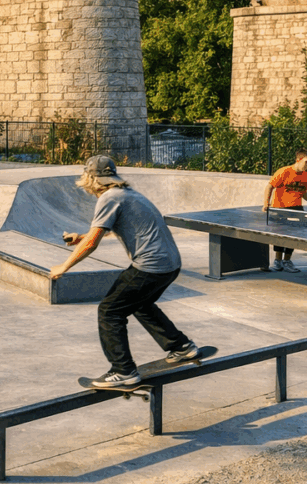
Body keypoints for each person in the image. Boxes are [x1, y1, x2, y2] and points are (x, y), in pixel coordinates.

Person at [51, 156, 202, 388]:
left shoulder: (109, 198)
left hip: (150, 266)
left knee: (109, 311)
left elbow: (93, 243)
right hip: (169, 265)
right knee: (139, 304)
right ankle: (181, 346)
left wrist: (64, 266)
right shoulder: (129, 194)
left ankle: (123, 370)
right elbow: (116, 229)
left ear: (92, 179)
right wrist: (81, 237)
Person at [262, 148, 307, 273]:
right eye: (306, 162)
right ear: (298, 160)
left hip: (297, 208)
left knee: (294, 237)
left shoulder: (305, 176)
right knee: (280, 236)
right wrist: (266, 203)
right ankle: (278, 261)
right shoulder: (284, 172)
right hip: (280, 207)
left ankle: (287, 261)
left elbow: (304, 192)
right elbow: (270, 186)